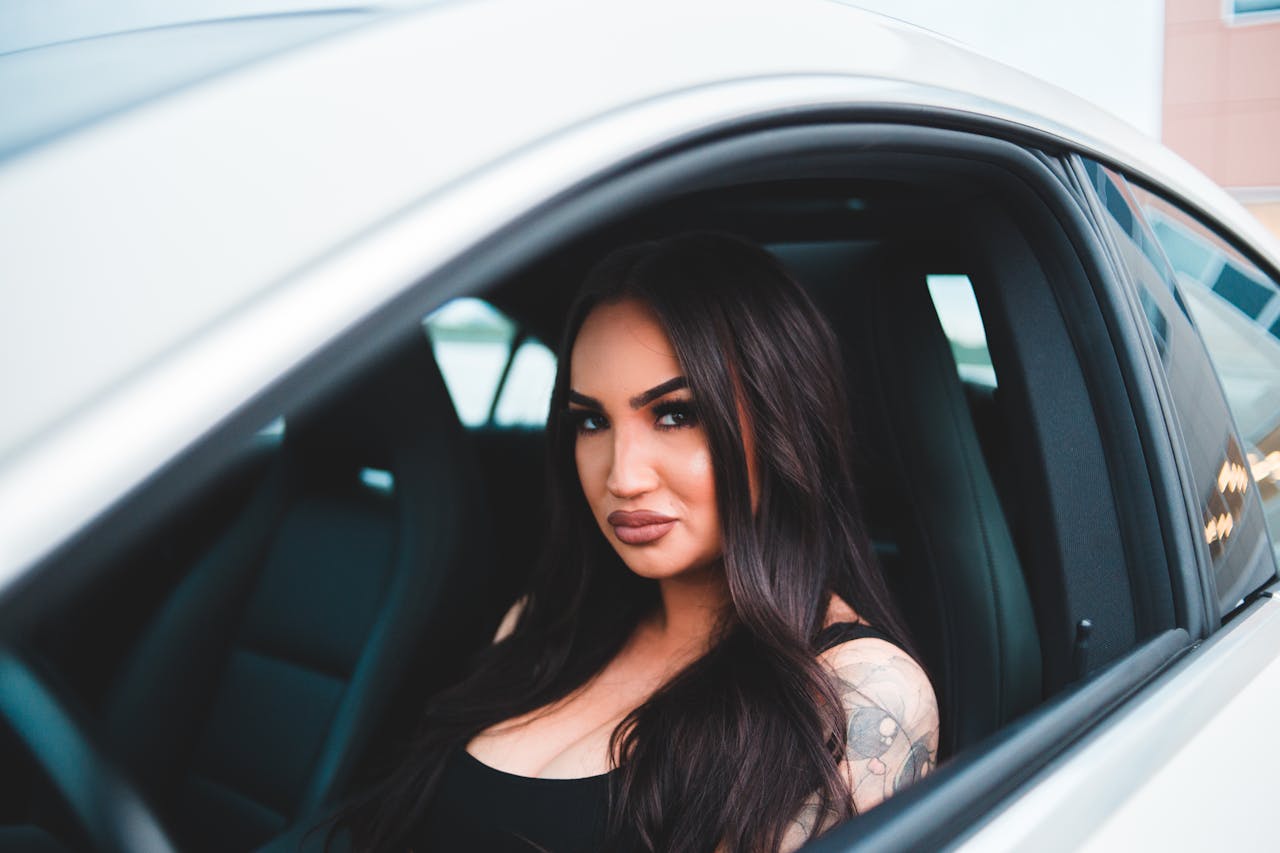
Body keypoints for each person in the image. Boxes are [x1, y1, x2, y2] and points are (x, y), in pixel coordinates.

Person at [331, 232, 938, 852]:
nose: (621, 477)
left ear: (783, 422)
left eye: (675, 414)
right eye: (591, 421)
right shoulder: (547, 617)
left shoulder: (859, 693)